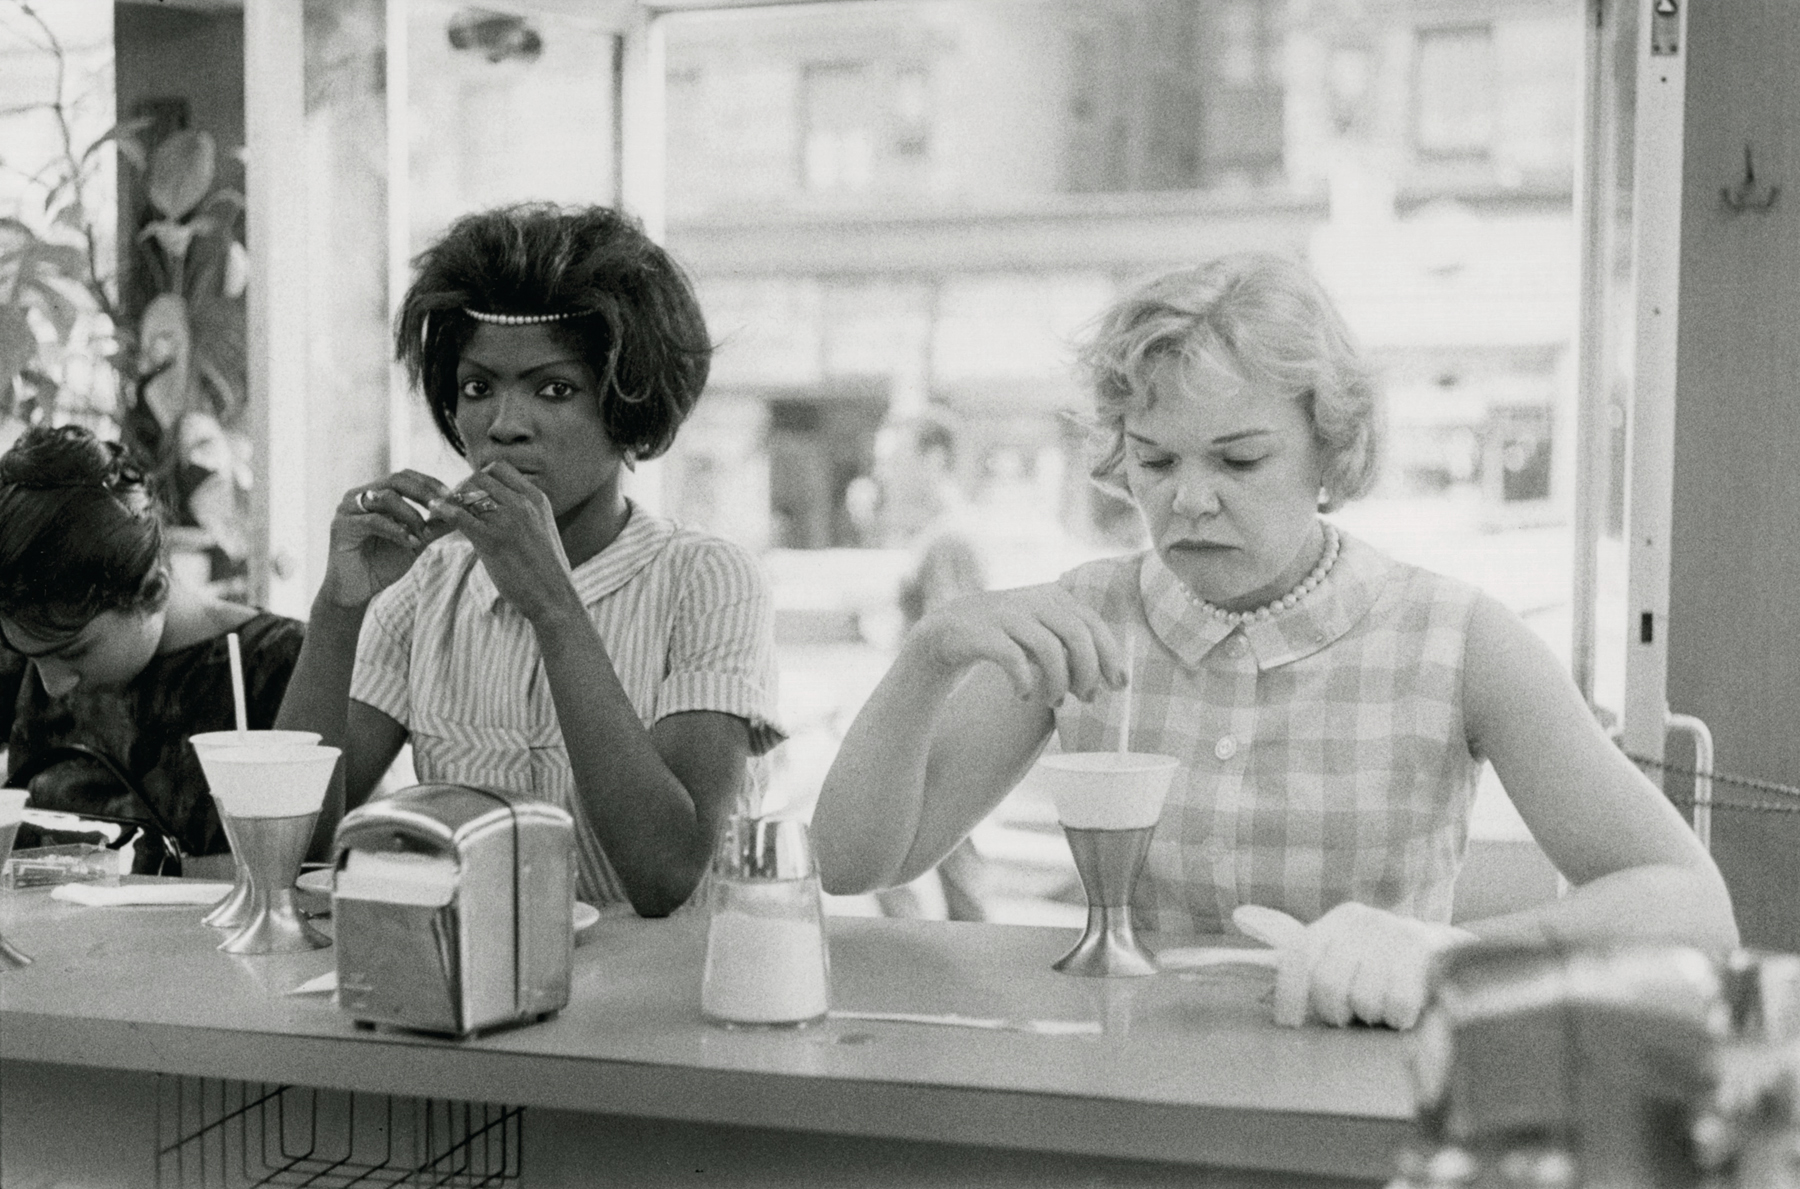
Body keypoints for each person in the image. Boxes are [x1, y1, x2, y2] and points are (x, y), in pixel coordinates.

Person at [812, 253, 1738, 1029]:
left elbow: (1691, 909)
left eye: (1240, 458)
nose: (1189, 498)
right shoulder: (1086, 619)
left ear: (1331, 450)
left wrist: (1448, 953)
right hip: (1128, 1097)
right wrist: (929, 657)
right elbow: (859, 863)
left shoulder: (1454, 639)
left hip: (1367, 1101)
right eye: (1155, 459)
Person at [276, 203, 782, 917]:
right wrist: (337, 611)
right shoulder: (428, 585)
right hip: (467, 997)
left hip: (664, 1009)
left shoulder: (708, 581)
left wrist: (553, 605)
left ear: (628, 405)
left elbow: (666, 873)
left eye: (554, 389)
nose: (503, 425)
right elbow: (293, 848)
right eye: (478, 387)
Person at [0, 425, 305, 874]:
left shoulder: (278, 666)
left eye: (75, 653)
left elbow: (311, 870)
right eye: (30, 655)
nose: (52, 684)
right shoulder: (48, 646)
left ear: (155, 587)